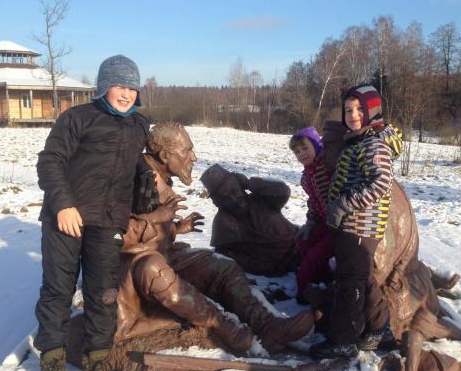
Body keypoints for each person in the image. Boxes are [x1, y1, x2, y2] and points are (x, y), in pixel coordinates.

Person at [114, 121, 314, 354]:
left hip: (165, 255)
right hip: (139, 270)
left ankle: (269, 324)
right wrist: (156, 218)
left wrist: (176, 228)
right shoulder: (135, 177)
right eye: (187, 150)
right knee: (157, 270)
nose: (194, 157)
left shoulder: (160, 178)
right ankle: (227, 329)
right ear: (165, 154)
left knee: (222, 266)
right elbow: (115, 235)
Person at [35, 55, 157, 371]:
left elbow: (130, 156)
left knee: (103, 294)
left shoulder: (138, 126)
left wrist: (146, 173)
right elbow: (50, 161)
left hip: (108, 221)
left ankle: (96, 362)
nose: (127, 94)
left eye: (132, 87)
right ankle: (54, 361)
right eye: (120, 86)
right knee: (58, 291)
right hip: (67, 218)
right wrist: (63, 204)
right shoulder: (77, 118)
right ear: (104, 87)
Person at [309, 85, 403, 359]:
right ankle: (380, 329)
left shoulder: (373, 144)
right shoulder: (359, 141)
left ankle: (344, 340)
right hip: (354, 226)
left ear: (372, 111)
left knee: (349, 283)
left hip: (360, 226)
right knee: (363, 278)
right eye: (348, 109)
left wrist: (343, 204)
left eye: (359, 109)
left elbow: (380, 183)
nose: (352, 114)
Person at [200, 164, 299, 276]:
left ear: (240, 185)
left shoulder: (262, 199)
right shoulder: (223, 222)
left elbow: (283, 191)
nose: (234, 199)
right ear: (216, 202)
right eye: (225, 198)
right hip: (283, 265)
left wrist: (249, 183)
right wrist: (268, 268)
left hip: (301, 243)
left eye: (234, 191)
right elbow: (228, 256)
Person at [289, 127, 334, 299]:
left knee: (314, 256)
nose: (301, 154)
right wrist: (311, 221)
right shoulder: (307, 176)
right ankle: (324, 276)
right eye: (297, 152)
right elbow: (314, 202)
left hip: (339, 226)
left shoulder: (326, 167)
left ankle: (303, 293)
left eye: (305, 148)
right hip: (323, 222)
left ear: (316, 144)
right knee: (304, 242)